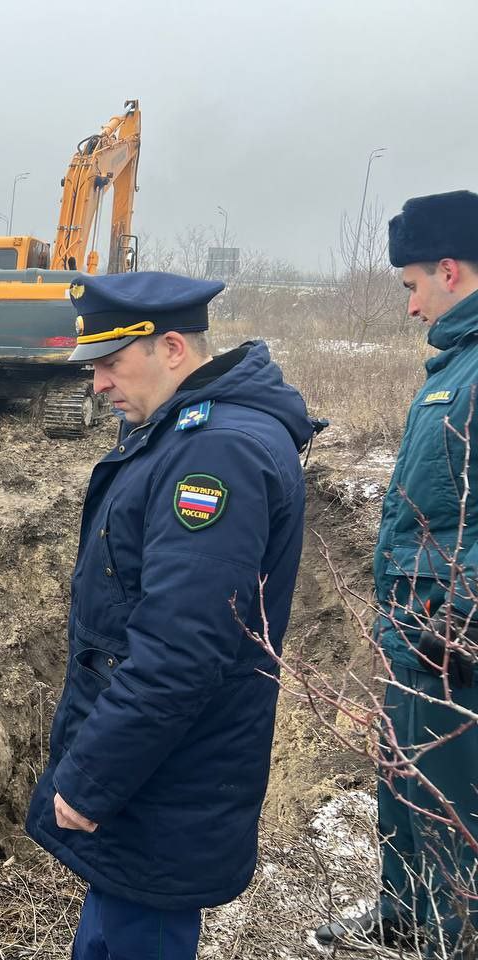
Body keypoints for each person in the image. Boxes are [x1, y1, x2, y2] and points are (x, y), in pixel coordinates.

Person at [25, 272, 315, 959]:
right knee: (110, 929)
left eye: (110, 362)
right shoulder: (187, 432)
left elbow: (182, 650)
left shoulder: (216, 454)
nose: (97, 383)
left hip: (164, 783)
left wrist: (93, 777)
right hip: (152, 782)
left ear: (174, 348)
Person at [316, 189, 478, 952]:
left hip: (453, 640)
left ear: (450, 270)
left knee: (451, 796)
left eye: (413, 285)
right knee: (403, 778)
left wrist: (464, 619)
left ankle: (453, 937)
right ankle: (403, 913)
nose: (411, 307)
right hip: (415, 630)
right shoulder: (454, 367)